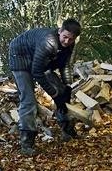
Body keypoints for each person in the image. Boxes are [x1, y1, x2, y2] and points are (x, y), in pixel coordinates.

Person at [8, 19, 82, 156]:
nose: (67, 41)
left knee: (63, 92)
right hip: (20, 57)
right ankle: (27, 143)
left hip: (39, 59)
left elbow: (65, 65)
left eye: (71, 39)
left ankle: (67, 130)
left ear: (75, 38)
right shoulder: (48, 42)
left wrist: (67, 86)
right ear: (60, 31)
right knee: (29, 100)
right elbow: (37, 72)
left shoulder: (69, 45)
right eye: (65, 37)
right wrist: (54, 93)